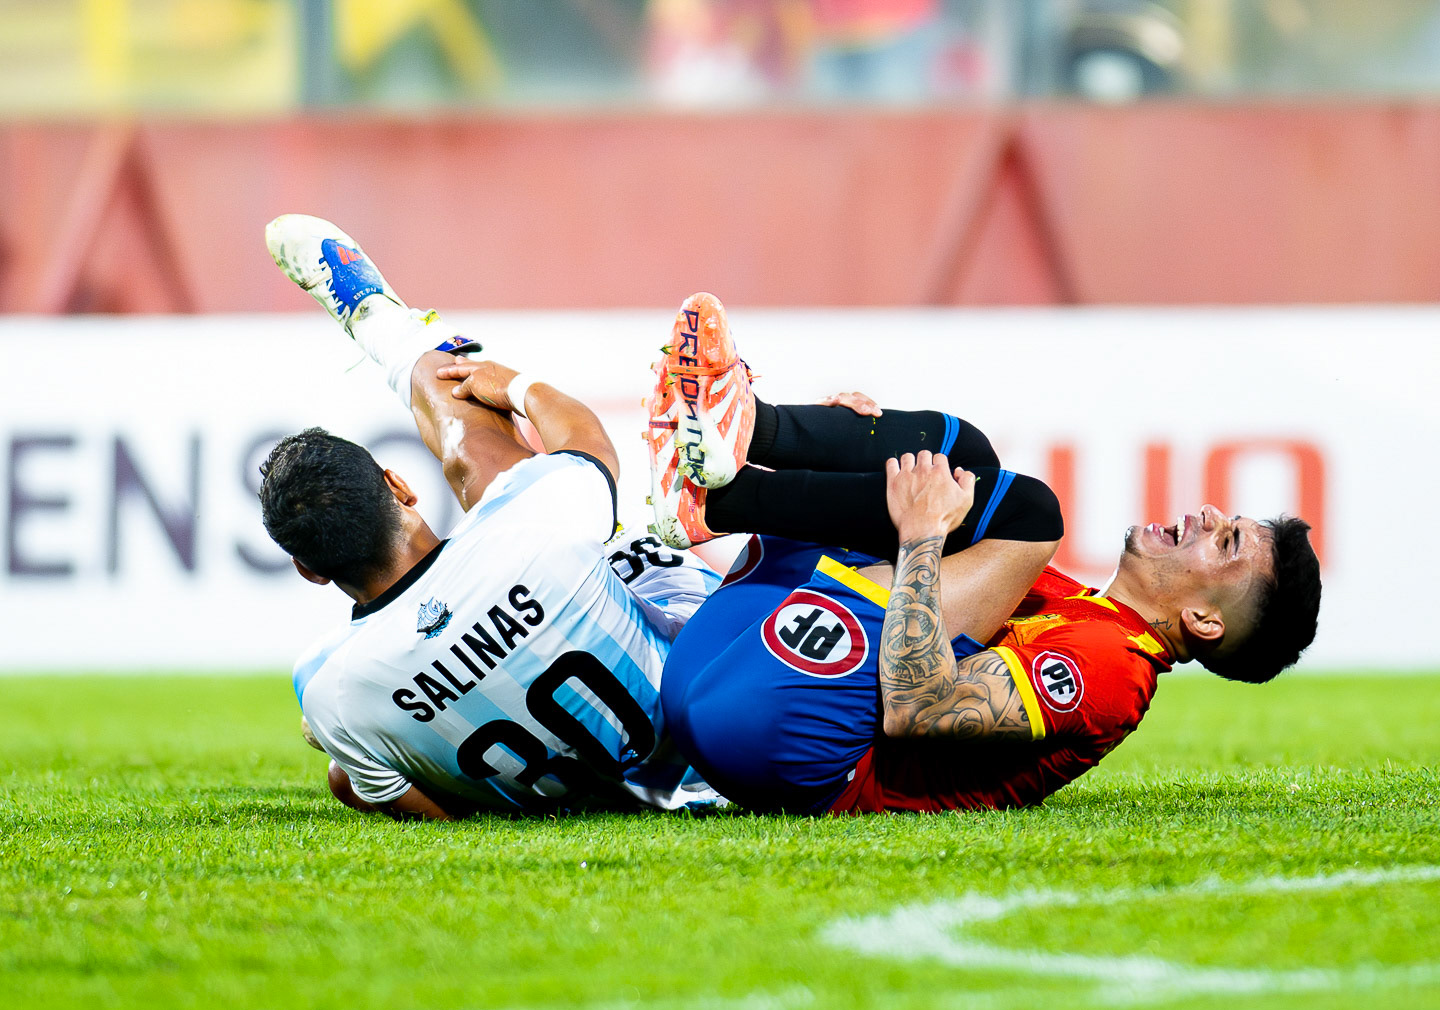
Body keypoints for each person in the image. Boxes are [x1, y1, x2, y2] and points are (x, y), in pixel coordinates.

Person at [263, 219, 1062, 822]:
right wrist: (516, 383)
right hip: (713, 660)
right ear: (400, 486)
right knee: (999, 493)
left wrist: (352, 753)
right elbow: (583, 440)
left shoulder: (332, 691)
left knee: (920, 470)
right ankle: (387, 327)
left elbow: (407, 802)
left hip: (684, 764)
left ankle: (761, 457)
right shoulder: (527, 528)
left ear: (308, 569)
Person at [648, 293, 1323, 814]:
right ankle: (719, 478)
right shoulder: (1077, 606)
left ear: (1206, 623)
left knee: (1024, 510)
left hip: (789, 744)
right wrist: (851, 461)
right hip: (709, 684)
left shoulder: (1112, 673)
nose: (1207, 516)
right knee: (964, 470)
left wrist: (917, 538)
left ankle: (733, 470)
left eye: (1226, 541)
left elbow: (921, 707)